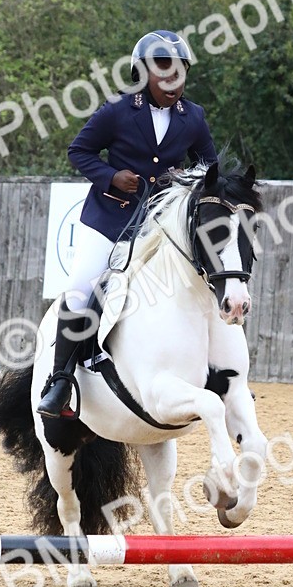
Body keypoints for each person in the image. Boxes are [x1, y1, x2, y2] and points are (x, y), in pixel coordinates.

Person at [38, 29, 218, 418]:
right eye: (163, 73)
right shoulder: (117, 110)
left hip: (158, 227)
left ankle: (221, 374)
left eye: (179, 73)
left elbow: (210, 170)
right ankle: (61, 381)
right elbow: (79, 150)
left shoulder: (194, 117)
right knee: (80, 289)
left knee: (203, 282)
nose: (173, 82)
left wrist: (187, 183)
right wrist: (111, 176)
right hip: (109, 218)